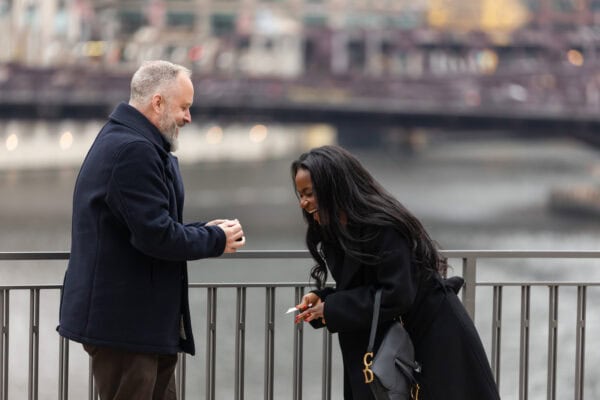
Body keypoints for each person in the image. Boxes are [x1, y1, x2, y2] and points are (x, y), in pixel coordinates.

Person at [57, 60, 245, 400]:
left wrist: (204, 230)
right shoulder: (134, 150)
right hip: (126, 327)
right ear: (157, 102)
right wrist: (215, 239)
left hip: (136, 325)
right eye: (185, 107)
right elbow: (155, 235)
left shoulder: (130, 141)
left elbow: (150, 224)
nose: (189, 117)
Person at [291, 145, 500, 400]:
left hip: (434, 340)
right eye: (300, 194)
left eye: (309, 193)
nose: (303, 202)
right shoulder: (337, 230)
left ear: (333, 187)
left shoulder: (383, 226)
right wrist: (324, 300)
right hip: (400, 344)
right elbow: (368, 287)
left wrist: (333, 307)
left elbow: (397, 294)